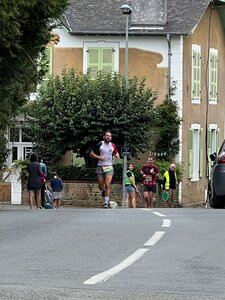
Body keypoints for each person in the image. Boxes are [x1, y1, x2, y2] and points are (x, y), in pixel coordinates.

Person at [89, 131, 120, 208]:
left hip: (109, 166)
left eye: (110, 136)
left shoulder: (113, 145)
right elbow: (91, 154)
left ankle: (106, 202)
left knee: (107, 184)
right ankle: (103, 191)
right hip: (100, 166)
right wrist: (99, 157)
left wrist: (117, 155)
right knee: (100, 186)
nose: (108, 137)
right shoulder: (100, 144)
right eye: (106, 135)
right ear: (104, 137)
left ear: (111, 138)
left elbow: (116, 152)